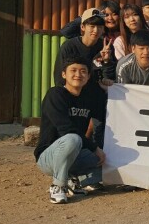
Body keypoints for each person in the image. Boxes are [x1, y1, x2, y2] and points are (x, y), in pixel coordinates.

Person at [34, 57, 108, 204]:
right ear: (64, 74)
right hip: (48, 156)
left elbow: (104, 116)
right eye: (73, 70)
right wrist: (94, 148)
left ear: (88, 76)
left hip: (76, 154)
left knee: (110, 160)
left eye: (83, 71)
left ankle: (74, 182)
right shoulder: (55, 95)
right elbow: (65, 129)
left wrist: (106, 89)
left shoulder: (88, 98)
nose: (78, 75)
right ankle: (58, 186)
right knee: (73, 138)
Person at [53, 8, 111, 87]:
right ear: (83, 27)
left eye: (100, 27)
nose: (96, 30)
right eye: (92, 26)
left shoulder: (106, 47)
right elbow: (59, 76)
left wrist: (106, 61)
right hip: (73, 91)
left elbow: (110, 77)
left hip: (98, 91)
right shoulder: (69, 47)